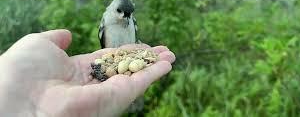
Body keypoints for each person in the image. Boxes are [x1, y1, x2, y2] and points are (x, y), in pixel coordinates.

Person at [0, 29, 175, 116]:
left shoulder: (130, 24)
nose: (127, 18)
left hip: (124, 56)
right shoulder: (107, 22)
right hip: (112, 57)